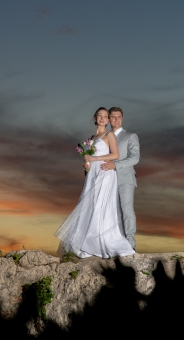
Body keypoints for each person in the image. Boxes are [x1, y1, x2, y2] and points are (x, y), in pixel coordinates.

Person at [55, 107, 135, 258]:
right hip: (93, 174)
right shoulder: (91, 138)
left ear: (108, 120)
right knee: (90, 205)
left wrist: (95, 159)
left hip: (105, 172)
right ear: (95, 118)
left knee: (100, 206)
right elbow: (89, 158)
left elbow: (115, 155)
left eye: (106, 116)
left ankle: (99, 242)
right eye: (100, 115)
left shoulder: (109, 134)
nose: (103, 118)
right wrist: (87, 165)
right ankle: (87, 242)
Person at [103, 106, 139, 249]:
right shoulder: (104, 137)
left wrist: (115, 165)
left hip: (125, 178)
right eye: (113, 117)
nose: (116, 119)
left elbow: (135, 158)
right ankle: (116, 243)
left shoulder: (130, 136)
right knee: (113, 212)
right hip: (107, 180)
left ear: (122, 119)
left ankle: (130, 243)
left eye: (119, 117)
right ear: (109, 119)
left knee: (127, 210)